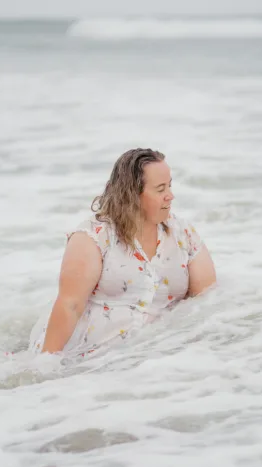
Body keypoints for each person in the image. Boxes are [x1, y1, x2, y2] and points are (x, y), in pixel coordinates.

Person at [29, 148, 216, 356]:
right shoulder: (94, 236)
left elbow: (205, 300)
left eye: (169, 186)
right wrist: (45, 365)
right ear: (133, 195)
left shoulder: (183, 234)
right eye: (161, 189)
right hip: (88, 356)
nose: (170, 196)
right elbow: (70, 304)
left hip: (156, 355)